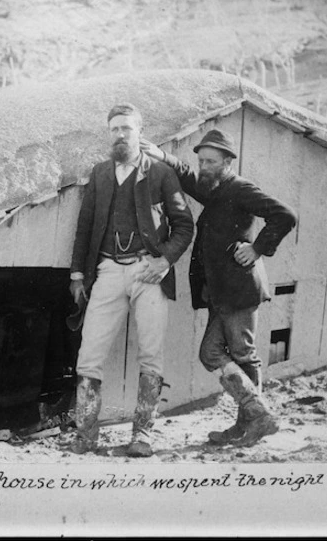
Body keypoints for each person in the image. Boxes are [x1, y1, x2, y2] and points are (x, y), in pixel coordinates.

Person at [141, 129, 297, 447]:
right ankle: (252, 418)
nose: (204, 166)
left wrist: (257, 249)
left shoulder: (239, 188)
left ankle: (255, 420)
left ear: (227, 162)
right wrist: (163, 157)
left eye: (211, 161)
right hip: (223, 291)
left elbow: (285, 215)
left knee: (242, 354)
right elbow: (189, 178)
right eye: (201, 160)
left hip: (240, 288)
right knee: (211, 352)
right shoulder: (215, 189)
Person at [68, 103, 194, 457]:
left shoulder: (161, 173)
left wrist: (164, 260)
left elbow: (185, 226)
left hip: (147, 272)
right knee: (89, 355)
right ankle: (86, 436)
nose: (120, 135)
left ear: (140, 131)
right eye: (114, 129)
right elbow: (85, 227)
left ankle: (143, 435)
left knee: (151, 355)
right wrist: (78, 274)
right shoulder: (100, 174)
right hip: (107, 271)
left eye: (126, 128)